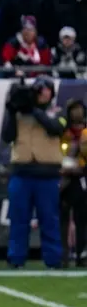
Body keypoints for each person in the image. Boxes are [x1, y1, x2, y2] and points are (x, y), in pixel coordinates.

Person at [3, 77, 66, 268]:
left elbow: (56, 128)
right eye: (40, 89)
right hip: (21, 172)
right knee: (19, 219)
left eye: (47, 89)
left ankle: (53, 259)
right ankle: (16, 258)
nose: (43, 92)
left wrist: (34, 111)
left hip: (47, 174)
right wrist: (12, 111)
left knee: (49, 219)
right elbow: (8, 136)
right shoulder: (20, 113)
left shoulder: (58, 111)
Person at [62, 100, 87, 266]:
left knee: (82, 219)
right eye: (73, 111)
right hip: (63, 178)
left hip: (81, 177)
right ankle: (63, 254)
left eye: (79, 111)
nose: (76, 115)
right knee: (62, 218)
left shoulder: (85, 133)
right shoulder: (63, 132)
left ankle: (82, 253)